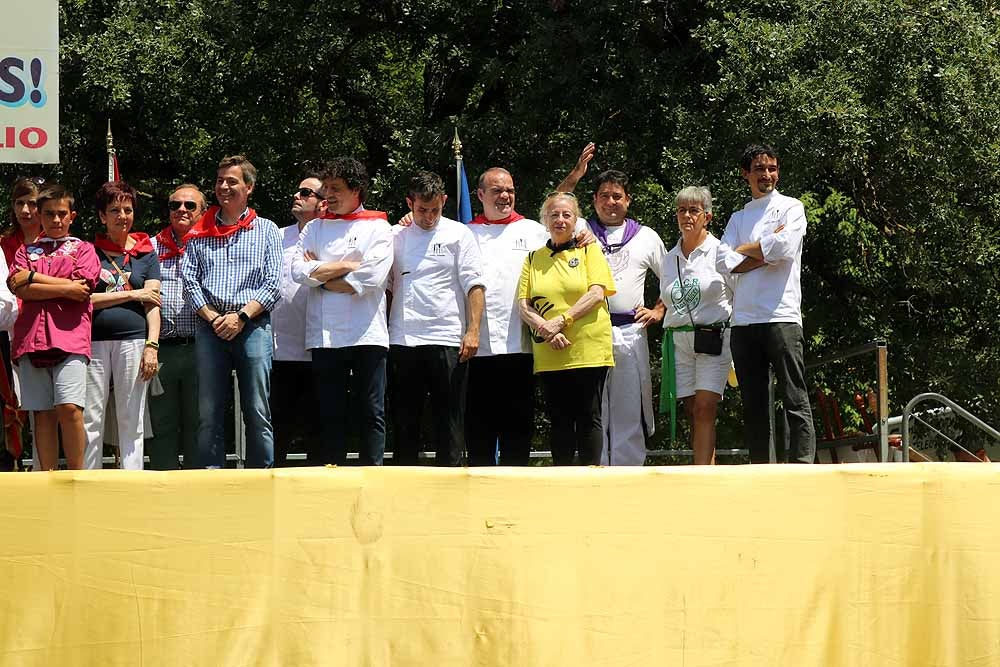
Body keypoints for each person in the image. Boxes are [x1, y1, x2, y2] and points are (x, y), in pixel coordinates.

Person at [558, 153, 667, 465]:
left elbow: (673, 277)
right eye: (604, 196)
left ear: (628, 200)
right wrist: (576, 173)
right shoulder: (579, 229)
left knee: (628, 404)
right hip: (588, 330)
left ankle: (628, 472)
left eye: (617, 196)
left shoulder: (646, 237)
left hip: (630, 332)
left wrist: (658, 310)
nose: (610, 202)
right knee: (592, 406)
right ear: (593, 201)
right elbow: (557, 201)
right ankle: (596, 468)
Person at [716, 144, 816, 463]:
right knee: (754, 405)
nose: (767, 175)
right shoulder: (738, 216)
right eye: (759, 169)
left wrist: (744, 253)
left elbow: (785, 248)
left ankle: (801, 466)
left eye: (772, 168)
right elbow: (721, 260)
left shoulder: (791, 207)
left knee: (794, 397)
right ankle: (760, 468)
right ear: (746, 174)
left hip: (782, 317)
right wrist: (763, 251)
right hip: (744, 322)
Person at [181, 155, 282, 468]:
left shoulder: (267, 230)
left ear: (248, 187)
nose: (223, 187)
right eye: (220, 181)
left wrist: (240, 317)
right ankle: (212, 477)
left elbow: (274, 283)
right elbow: (189, 281)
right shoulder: (200, 231)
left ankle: (260, 476)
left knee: (257, 409)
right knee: (209, 411)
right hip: (210, 327)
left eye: (232, 181)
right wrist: (214, 318)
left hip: (252, 325)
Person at [291, 158, 393, 465]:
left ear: (356, 190)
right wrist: (349, 266)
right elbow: (298, 272)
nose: (328, 196)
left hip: (367, 334)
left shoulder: (378, 227)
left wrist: (320, 277)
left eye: (336, 189)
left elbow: (373, 278)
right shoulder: (314, 228)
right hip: (324, 337)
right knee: (329, 413)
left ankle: (372, 475)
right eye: (326, 189)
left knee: (370, 411)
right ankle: (331, 476)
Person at [388, 171, 485, 466]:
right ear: (409, 203)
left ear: (444, 201)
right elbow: (385, 287)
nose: (429, 217)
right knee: (405, 422)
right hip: (402, 339)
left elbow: (474, 285)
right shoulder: (394, 236)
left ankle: (452, 490)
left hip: (447, 339)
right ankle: (403, 491)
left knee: (450, 420)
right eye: (421, 210)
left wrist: (473, 331)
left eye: (435, 210)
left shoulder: (459, 233)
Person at [517, 192, 615, 465]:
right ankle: (562, 481)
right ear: (545, 221)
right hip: (550, 352)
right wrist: (548, 330)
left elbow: (597, 293)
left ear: (576, 220)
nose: (560, 220)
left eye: (566, 215)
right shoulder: (533, 259)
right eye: (554, 215)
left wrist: (562, 321)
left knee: (588, 416)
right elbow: (524, 305)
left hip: (588, 348)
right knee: (558, 418)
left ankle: (591, 482)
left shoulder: (589, 250)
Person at [8, 185, 99, 470]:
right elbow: (19, 289)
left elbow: (82, 290)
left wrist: (34, 278)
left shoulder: (84, 248)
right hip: (31, 339)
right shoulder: (25, 250)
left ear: (72, 216)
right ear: (40, 215)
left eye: (62, 214)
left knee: (70, 408)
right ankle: (47, 477)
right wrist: (65, 285)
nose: (56, 220)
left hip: (70, 338)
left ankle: (76, 476)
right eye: (49, 214)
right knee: (41, 414)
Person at [83, 181, 161, 470]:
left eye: (127, 209)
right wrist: (132, 294)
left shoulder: (145, 252)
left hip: (134, 341)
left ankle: (132, 482)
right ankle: (89, 481)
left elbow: (152, 303)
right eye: (114, 210)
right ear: (102, 216)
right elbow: (84, 298)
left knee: (132, 417)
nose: (122, 215)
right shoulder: (88, 252)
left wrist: (152, 345)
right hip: (92, 341)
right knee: (91, 418)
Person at [660, 186, 734, 465]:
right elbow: (667, 298)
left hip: (713, 338)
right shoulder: (669, 258)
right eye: (681, 210)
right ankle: (707, 470)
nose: (687, 216)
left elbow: (738, 295)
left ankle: (700, 476)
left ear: (707, 216)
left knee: (705, 407)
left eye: (694, 210)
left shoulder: (720, 253)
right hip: (679, 342)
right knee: (693, 410)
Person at [147, 184, 205, 469]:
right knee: (161, 422)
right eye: (175, 205)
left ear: (203, 211)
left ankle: (198, 485)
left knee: (200, 421)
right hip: (162, 349)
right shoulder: (150, 247)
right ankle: (161, 484)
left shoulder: (211, 243)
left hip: (201, 347)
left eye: (190, 205)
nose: (181, 209)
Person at [271, 174, 325, 466]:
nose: (297, 194)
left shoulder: (332, 234)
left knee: (319, 432)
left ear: (322, 202)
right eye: (298, 189)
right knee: (277, 429)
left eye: (306, 192)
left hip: (321, 349)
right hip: (279, 351)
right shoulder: (276, 236)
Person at [3, 177, 43, 268]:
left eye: (32, 203)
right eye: (20, 203)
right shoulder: (3, 244)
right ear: (13, 206)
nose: (25, 210)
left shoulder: (60, 244)